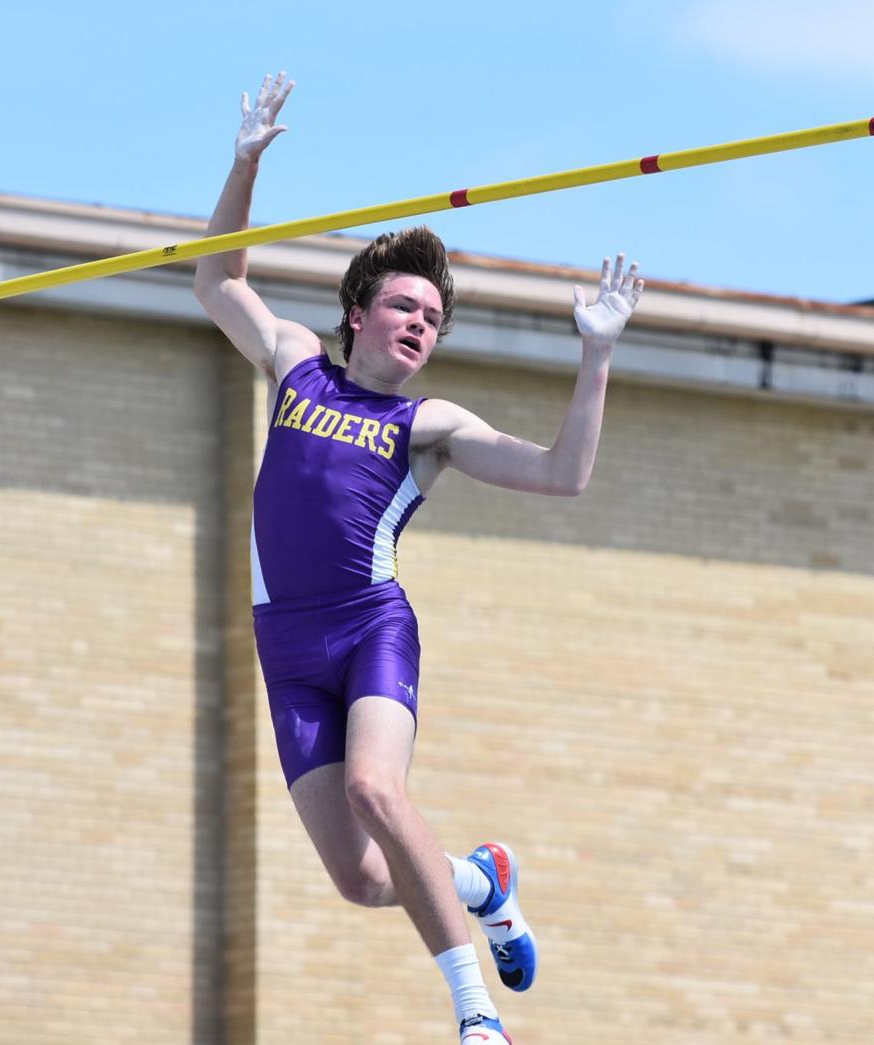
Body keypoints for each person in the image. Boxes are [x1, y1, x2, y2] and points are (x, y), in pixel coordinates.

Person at [194, 72, 643, 1044]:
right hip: (285, 648)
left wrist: (595, 355)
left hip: (368, 631)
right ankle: (484, 880)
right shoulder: (295, 360)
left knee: (375, 792)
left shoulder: (425, 424)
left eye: (434, 319)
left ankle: (477, 1018)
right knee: (363, 878)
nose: (419, 325)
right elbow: (217, 283)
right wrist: (245, 165)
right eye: (404, 307)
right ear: (359, 311)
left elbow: (563, 475)